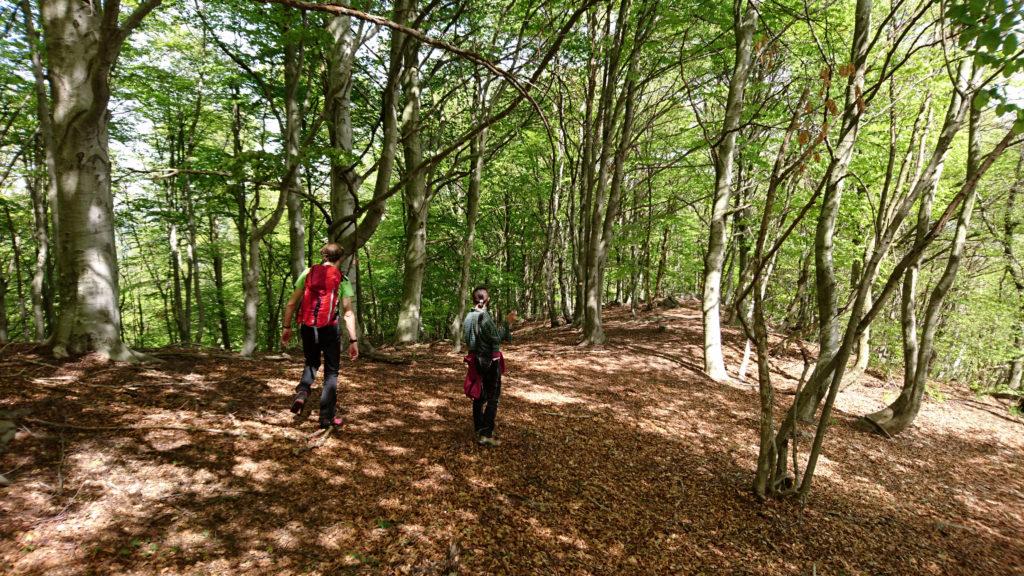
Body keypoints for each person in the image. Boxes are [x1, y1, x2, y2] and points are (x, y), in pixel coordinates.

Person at [281, 242, 359, 431]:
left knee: (311, 362)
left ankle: (302, 392)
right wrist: (353, 340)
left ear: (324, 256)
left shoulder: (308, 273)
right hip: (329, 328)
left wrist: (286, 327)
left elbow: (291, 303)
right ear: (340, 258)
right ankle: (326, 418)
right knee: (331, 372)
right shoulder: (343, 279)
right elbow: (348, 312)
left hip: (308, 327)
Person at [463, 285, 505, 446]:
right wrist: (507, 324)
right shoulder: (485, 318)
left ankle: (479, 428)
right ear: (487, 300)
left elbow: (470, 339)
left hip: (476, 360)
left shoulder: (468, 317)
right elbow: (496, 338)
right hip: (489, 362)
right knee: (493, 397)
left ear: (474, 299)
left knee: (479, 395)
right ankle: (486, 434)